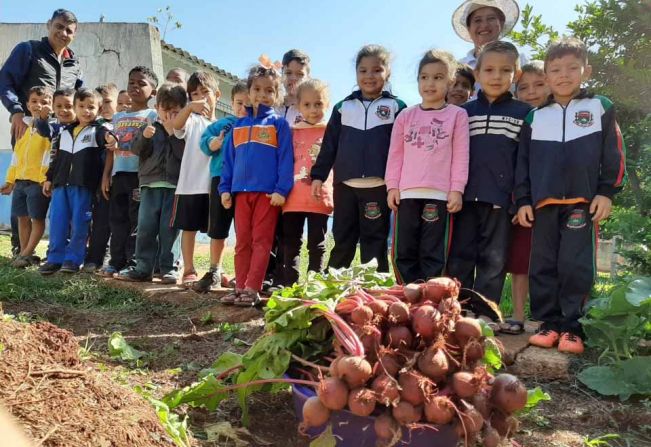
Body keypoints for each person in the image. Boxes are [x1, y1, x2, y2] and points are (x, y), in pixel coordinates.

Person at [515, 38, 626, 354]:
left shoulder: (599, 107)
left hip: (582, 202)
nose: (564, 75)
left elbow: (615, 152)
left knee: (574, 265)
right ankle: (549, 324)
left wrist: (606, 192)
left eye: (572, 68)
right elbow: (522, 164)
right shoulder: (535, 118)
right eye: (555, 70)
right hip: (544, 205)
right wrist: (523, 200)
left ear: (586, 71)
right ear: (547, 77)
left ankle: (573, 328)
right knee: (543, 265)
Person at [446, 41, 532, 325]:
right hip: (464, 198)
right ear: (478, 73)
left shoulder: (523, 114)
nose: (496, 76)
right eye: (490, 70)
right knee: (460, 257)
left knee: (494, 262)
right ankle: (457, 315)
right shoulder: (463, 113)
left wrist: (520, 199)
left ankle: (486, 318)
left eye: (505, 70)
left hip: (501, 200)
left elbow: (524, 161)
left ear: (516, 74)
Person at [311, 45, 406, 273]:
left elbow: (404, 149)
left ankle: (374, 291)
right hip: (345, 187)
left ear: (388, 73)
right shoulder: (343, 108)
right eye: (363, 70)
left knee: (374, 241)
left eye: (376, 70)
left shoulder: (397, 107)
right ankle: (333, 283)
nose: (369, 76)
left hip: (378, 187)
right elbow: (329, 146)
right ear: (356, 74)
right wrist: (318, 176)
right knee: (343, 237)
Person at [0, 8, 83, 255]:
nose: (63, 33)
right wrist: (16, 111)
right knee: (25, 186)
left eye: (69, 30)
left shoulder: (74, 63)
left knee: (53, 185)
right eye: (59, 26)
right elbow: (4, 82)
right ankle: (21, 248)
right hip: (28, 131)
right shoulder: (28, 50)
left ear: (74, 34)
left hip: (60, 136)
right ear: (49, 25)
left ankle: (57, 246)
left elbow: (80, 95)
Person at [386, 50, 469, 284]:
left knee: (433, 251)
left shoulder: (457, 116)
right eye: (424, 77)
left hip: (439, 195)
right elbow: (395, 155)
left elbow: (461, 155)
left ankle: (431, 300)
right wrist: (392, 186)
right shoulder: (405, 116)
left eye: (438, 77)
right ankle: (407, 296)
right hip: (407, 194)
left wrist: (457, 189)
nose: (430, 83)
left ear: (451, 81)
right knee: (404, 250)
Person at [219, 62, 294, 306]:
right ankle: (239, 286)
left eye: (270, 90)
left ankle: (252, 288)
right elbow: (228, 161)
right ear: (249, 92)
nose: (263, 94)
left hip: (267, 195)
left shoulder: (279, 124)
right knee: (241, 242)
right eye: (258, 89)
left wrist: (281, 190)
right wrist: (224, 189)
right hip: (240, 194)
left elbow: (285, 160)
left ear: (277, 94)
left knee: (261, 242)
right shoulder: (238, 126)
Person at [116, 83, 187, 283]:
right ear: (157, 108)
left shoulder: (182, 131)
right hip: (149, 185)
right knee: (146, 227)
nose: (170, 116)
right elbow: (137, 149)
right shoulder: (149, 127)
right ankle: (143, 267)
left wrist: (173, 133)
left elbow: (184, 155)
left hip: (174, 186)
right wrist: (145, 138)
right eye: (166, 111)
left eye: (176, 111)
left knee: (170, 229)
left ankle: (168, 268)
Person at [500, 60, 550, 335]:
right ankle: (518, 315)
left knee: (556, 261)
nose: (531, 92)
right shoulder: (516, 119)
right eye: (523, 88)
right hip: (521, 199)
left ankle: (556, 318)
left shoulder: (561, 116)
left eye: (539, 85)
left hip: (554, 200)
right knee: (520, 260)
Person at [38, 88, 110, 274]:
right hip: (61, 185)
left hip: (83, 185)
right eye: (81, 106)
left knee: (80, 222)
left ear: (99, 110)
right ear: (76, 108)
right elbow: (57, 159)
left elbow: (109, 139)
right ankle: (54, 258)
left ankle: (73, 259)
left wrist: (111, 138)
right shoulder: (64, 133)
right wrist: (49, 179)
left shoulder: (98, 131)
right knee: (57, 221)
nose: (86, 111)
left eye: (91, 107)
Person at [100, 67, 158, 277]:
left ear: (153, 92)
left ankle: (132, 262)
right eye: (132, 82)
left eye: (141, 83)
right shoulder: (117, 117)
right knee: (117, 220)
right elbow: (110, 150)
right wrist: (107, 175)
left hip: (139, 176)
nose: (135, 86)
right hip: (119, 176)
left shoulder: (153, 115)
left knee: (137, 221)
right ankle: (115, 261)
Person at [195, 81, 248, 292]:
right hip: (220, 180)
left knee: (244, 230)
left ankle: (242, 274)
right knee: (218, 228)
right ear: (232, 102)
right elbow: (204, 140)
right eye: (239, 102)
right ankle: (214, 269)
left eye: (248, 103)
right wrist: (211, 144)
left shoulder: (256, 125)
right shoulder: (224, 124)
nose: (243, 107)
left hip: (245, 184)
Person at [281, 79, 333, 286]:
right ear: (298, 106)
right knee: (291, 244)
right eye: (307, 105)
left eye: (318, 104)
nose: (313, 110)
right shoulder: (291, 132)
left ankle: (314, 286)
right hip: (293, 198)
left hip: (319, 197)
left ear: (327, 104)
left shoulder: (332, 132)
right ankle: (289, 285)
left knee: (317, 244)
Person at [171, 71, 219, 287]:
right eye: (194, 94)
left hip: (216, 186)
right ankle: (188, 269)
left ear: (217, 95)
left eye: (205, 92)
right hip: (190, 183)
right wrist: (189, 108)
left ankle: (215, 269)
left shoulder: (225, 124)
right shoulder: (192, 119)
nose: (200, 97)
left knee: (217, 228)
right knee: (188, 227)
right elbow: (176, 126)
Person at [0, 87, 53, 268]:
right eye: (34, 101)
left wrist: (44, 178)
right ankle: (26, 254)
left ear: (51, 106)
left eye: (44, 102)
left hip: (37, 183)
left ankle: (25, 253)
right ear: (27, 104)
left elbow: (49, 155)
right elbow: (16, 157)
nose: (39, 105)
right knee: (22, 217)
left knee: (36, 218)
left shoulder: (50, 128)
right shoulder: (25, 127)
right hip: (21, 182)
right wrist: (10, 181)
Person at [452, 0, 526, 94]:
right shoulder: (457, 67)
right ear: (469, 28)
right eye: (477, 20)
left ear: (501, 24)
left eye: (491, 18)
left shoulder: (520, 60)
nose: (484, 25)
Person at [82, 83, 119, 272]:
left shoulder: (121, 123)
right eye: (100, 103)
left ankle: (115, 259)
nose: (104, 106)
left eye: (107, 101)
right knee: (99, 220)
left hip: (119, 179)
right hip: (97, 181)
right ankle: (94, 257)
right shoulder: (94, 127)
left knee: (119, 221)